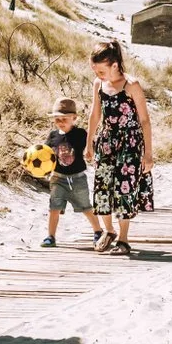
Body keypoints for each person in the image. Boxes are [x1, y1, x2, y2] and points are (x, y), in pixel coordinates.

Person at [86, 41, 154, 256]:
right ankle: (109, 231)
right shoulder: (99, 84)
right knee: (102, 186)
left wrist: (148, 153)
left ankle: (123, 239)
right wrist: (89, 144)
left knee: (125, 188)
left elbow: (144, 120)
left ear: (115, 65)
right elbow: (95, 115)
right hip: (106, 142)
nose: (98, 74)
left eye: (101, 70)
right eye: (95, 70)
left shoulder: (131, 85)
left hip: (130, 143)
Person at [41, 97, 103, 250]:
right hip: (57, 178)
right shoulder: (53, 136)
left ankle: (98, 231)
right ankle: (51, 236)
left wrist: (92, 154)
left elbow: (92, 148)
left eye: (64, 119)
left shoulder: (81, 134)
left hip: (78, 178)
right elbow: (45, 154)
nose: (61, 122)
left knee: (86, 207)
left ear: (74, 118)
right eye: (57, 119)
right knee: (54, 207)